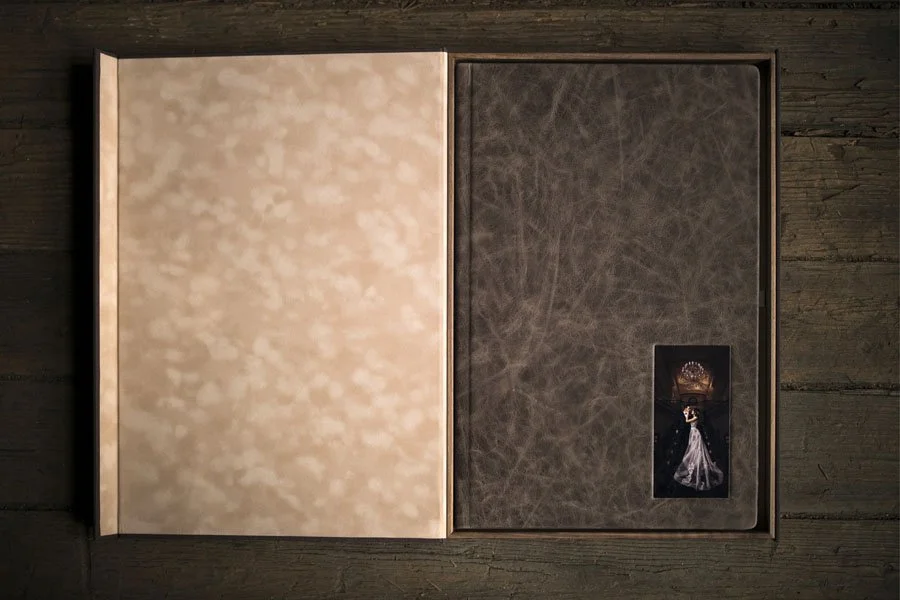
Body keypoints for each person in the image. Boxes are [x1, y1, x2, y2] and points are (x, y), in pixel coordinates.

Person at [673, 405, 724, 491]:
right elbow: (687, 418)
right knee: (692, 447)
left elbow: (687, 420)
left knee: (696, 448)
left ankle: (698, 468)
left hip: (695, 433)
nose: (692, 412)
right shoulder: (694, 416)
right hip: (692, 433)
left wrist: (686, 414)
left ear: (695, 412)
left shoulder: (696, 416)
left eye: (693, 411)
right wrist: (686, 412)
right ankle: (695, 465)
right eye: (692, 411)